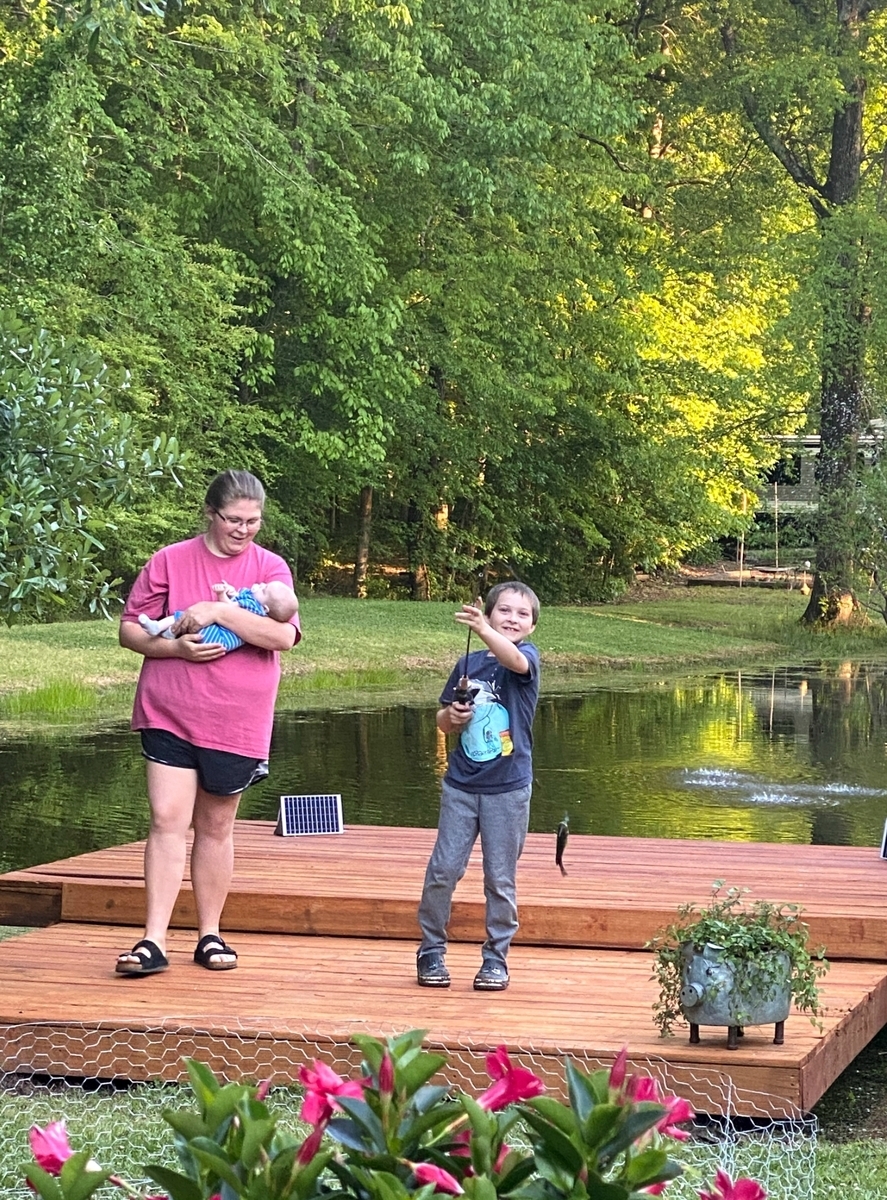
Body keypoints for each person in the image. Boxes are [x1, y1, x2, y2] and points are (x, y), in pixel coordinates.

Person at [115, 470, 301, 977]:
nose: (243, 530)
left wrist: (217, 610)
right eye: (233, 519)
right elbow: (130, 631)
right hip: (170, 710)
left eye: (253, 521)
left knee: (216, 826)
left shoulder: (270, 569)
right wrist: (174, 648)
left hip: (236, 720)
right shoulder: (169, 560)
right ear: (211, 513)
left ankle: (209, 934)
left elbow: (282, 637)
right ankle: (153, 940)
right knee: (166, 819)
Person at [416, 581, 541, 992]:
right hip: (461, 786)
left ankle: (495, 958)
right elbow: (443, 721)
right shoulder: (468, 663)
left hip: (508, 788)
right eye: (503, 610)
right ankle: (431, 950)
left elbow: (513, 660)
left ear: (532, 626)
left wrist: (485, 631)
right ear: (489, 614)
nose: (512, 619)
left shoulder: (526, 658)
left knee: (499, 878)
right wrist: (452, 717)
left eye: (522, 614)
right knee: (443, 871)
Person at [138, 580, 298, 652]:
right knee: (190, 621)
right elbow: (236, 601)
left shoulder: (253, 606)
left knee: (183, 616)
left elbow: (228, 607)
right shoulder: (257, 607)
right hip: (221, 642)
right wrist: (232, 592)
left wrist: (221, 595)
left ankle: (158, 627)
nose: (261, 585)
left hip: (217, 637)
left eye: (264, 590)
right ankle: (169, 633)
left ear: (265, 608)